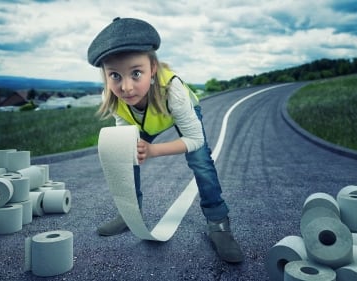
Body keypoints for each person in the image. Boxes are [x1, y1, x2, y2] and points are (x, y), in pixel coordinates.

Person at [87, 17, 244, 263]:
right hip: (145, 122)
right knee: (127, 156)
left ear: (153, 70)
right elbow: (123, 130)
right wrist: (133, 149)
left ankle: (218, 224)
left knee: (201, 162)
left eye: (136, 73)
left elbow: (194, 139)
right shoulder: (113, 95)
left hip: (181, 114)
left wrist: (152, 150)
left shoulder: (173, 89)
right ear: (106, 76)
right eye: (115, 75)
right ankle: (131, 214)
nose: (126, 87)